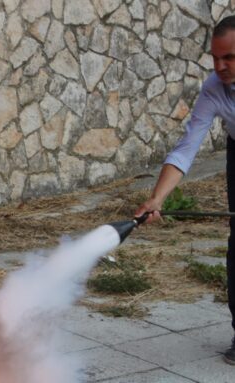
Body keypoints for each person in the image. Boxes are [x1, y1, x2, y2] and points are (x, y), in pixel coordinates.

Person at [135, 15, 235, 365]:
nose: (220, 66)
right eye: (216, 57)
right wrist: (157, 198)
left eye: (230, 58)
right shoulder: (213, 89)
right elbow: (186, 149)